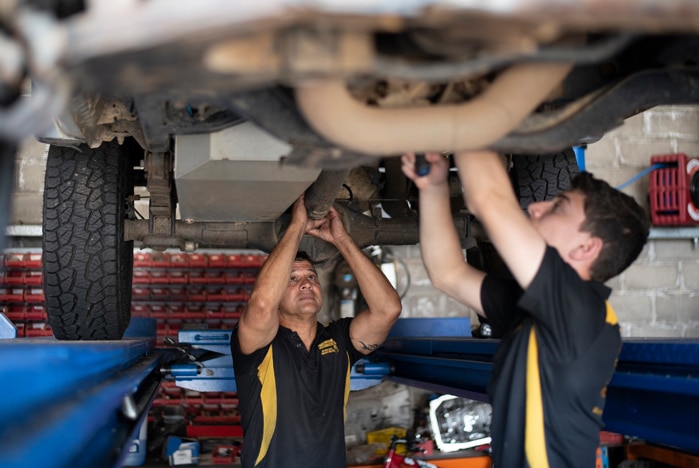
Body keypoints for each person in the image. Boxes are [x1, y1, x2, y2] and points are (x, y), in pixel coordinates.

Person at [401, 150, 649, 468]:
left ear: (586, 247)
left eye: (558, 208)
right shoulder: (549, 314)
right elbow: (448, 274)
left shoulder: (579, 309)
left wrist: (465, 110)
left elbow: (489, 198)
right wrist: (434, 188)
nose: (536, 206)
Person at [230, 194, 402, 468]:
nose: (307, 284)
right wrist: (296, 227)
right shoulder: (261, 344)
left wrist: (342, 240)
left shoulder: (340, 340)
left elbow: (388, 309)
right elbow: (262, 304)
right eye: (293, 279)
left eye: (311, 277)